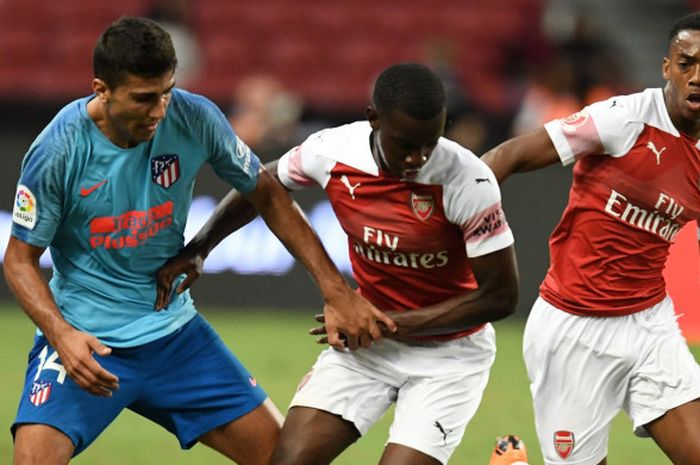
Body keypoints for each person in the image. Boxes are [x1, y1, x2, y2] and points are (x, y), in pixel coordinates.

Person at [4, 16, 392, 465]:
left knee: (285, 460)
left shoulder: (193, 117)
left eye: (166, 92)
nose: (159, 111)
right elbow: (19, 260)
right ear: (101, 89)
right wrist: (62, 335)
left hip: (174, 337)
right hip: (86, 342)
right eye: (144, 98)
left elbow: (265, 191)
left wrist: (334, 289)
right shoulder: (58, 151)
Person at [157, 63, 520, 465]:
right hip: (366, 345)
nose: (418, 157)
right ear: (373, 119)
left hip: (449, 354)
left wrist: (388, 323)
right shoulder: (332, 150)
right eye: (404, 144)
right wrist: (202, 245)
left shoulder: (469, 181)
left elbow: (500, 297)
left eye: (429, 144)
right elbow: (263, 184)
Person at [482, 12, 700, 465]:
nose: (697, 78)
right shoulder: (624, 118)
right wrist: (457, 217)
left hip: (649, 324)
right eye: (686, 64)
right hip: (572, 327)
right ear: (667, 68)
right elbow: (510, 154)